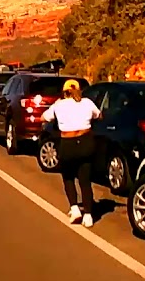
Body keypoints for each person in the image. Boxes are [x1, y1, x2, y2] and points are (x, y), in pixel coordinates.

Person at [41, 79, 102, 228]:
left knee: (68, 177)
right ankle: (88, 215)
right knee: (85, 180)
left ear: (64, 92)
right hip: (86, 141)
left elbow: (44, 117)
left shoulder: (59, 105)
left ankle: (75, 209)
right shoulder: (87, 103)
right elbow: (99, 115)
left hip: (68, 143)